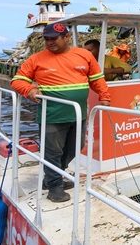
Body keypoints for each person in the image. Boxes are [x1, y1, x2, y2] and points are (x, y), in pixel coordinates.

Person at [10, 23, 111, 203]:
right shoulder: (36, 59)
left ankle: (52, 178)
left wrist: (104, 97)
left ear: (66, 37)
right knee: (52, 153)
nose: (49, 42)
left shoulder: (84, 55)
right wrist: (30, 90)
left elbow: (97, 79)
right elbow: (17, 81)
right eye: (46, 39)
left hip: (78, 114)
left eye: (54, 38)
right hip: (51, 116)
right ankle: (54, 187)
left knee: (75, 148)